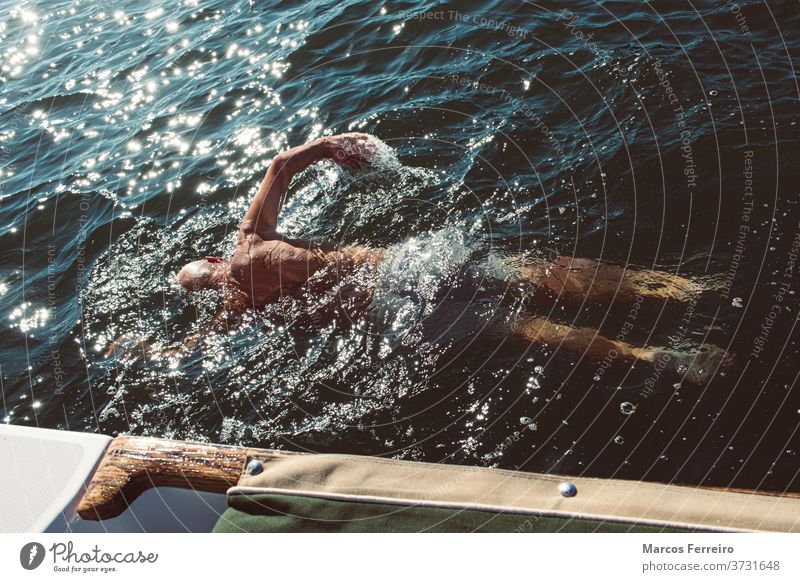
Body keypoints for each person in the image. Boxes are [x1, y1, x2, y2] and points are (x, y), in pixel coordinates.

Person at [168, 133, 731, 384]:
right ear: (216, 257)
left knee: (522, 327)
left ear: (212, 289)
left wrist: (160, 347)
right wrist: (329, 146)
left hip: (395, 315)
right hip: (401, 266)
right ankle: (679, 289)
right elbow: (281, 163)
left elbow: (200, 345)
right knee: (528, 271)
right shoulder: (248, 239)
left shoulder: (240, 304)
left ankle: (652, 354)